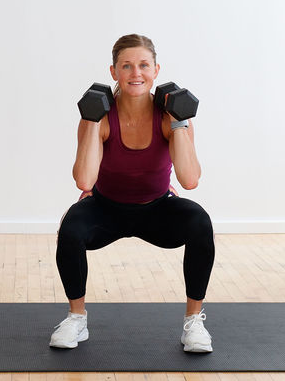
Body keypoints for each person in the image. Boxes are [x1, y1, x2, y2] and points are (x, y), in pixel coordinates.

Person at [50, 33, 215, 352]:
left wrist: (179, 123)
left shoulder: (171, 116)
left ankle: (194, 323)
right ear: (113, 72)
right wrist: (92, 123)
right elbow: (84, 179)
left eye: (143, 65)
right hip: (105, 208)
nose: (135, 73)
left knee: (199, 222)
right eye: (126, 66)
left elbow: (190, 180)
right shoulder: (98, 116)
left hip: (157, 209)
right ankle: (76, 319)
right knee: (71, 226)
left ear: (156, 70)